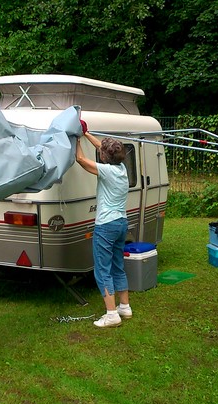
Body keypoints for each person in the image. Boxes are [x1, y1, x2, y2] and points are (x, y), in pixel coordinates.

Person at [75, 120, 132, 328]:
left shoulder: (106, 170)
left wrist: (76, 138)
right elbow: (102, 147)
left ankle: (111, 314)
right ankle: (124, 307)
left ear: (104, 157)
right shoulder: (122, 168)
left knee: (102, 270)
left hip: (106, 225)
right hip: (121, 223)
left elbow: (81, 159)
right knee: (118, 265)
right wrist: (86, 133)